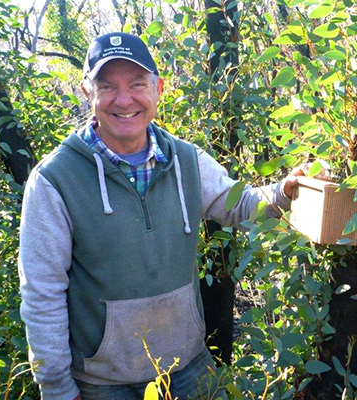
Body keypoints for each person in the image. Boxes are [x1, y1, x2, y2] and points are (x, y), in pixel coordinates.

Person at [18, 32, 315, 400]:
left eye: (137, 84)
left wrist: (283, 192)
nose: (124, 100)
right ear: (86, 92)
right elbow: (42, 293)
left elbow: (239, 205)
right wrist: (58, 388)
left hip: (189, 368)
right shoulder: (54, 180)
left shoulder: (187, 161)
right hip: (103, 384)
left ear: (158, 88)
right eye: (107, 86)